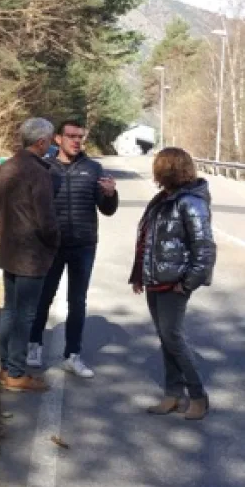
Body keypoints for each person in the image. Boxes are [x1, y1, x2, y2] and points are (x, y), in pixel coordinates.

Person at [27, 119, 118, 378]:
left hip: (83, 245)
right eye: (71, 136)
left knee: (77, 302)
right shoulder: (45, 167)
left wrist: (110, 194)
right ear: (58, 139)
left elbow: (107, 210)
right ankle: (34, 345)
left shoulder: (93, 168)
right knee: (44, 297)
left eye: (80, 136)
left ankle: (73, 355)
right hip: (51, 245)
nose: (76, 141)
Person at [130, 147, 216, 420]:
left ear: (169, 169)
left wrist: (187, 283)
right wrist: (139, 275)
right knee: (166, 338)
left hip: (174, 283)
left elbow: (204, 249)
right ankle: (172, 395)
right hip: (156, 280)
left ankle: (198, 396)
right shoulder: (162, 199)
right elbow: (147, 241)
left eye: (160, 166)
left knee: (173, 338)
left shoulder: (191, 202)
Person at [0, 118, 59, 392]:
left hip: (10, 248)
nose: (51, 144)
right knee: (25, 314)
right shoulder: (39, 172)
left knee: (10, 309)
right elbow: (46, 218)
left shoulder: (4, 168)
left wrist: (9, 223)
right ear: (41, 142)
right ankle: (16, 372)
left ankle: (6, 366)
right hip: (32, 253)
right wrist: (54, 242)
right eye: (50, 140)